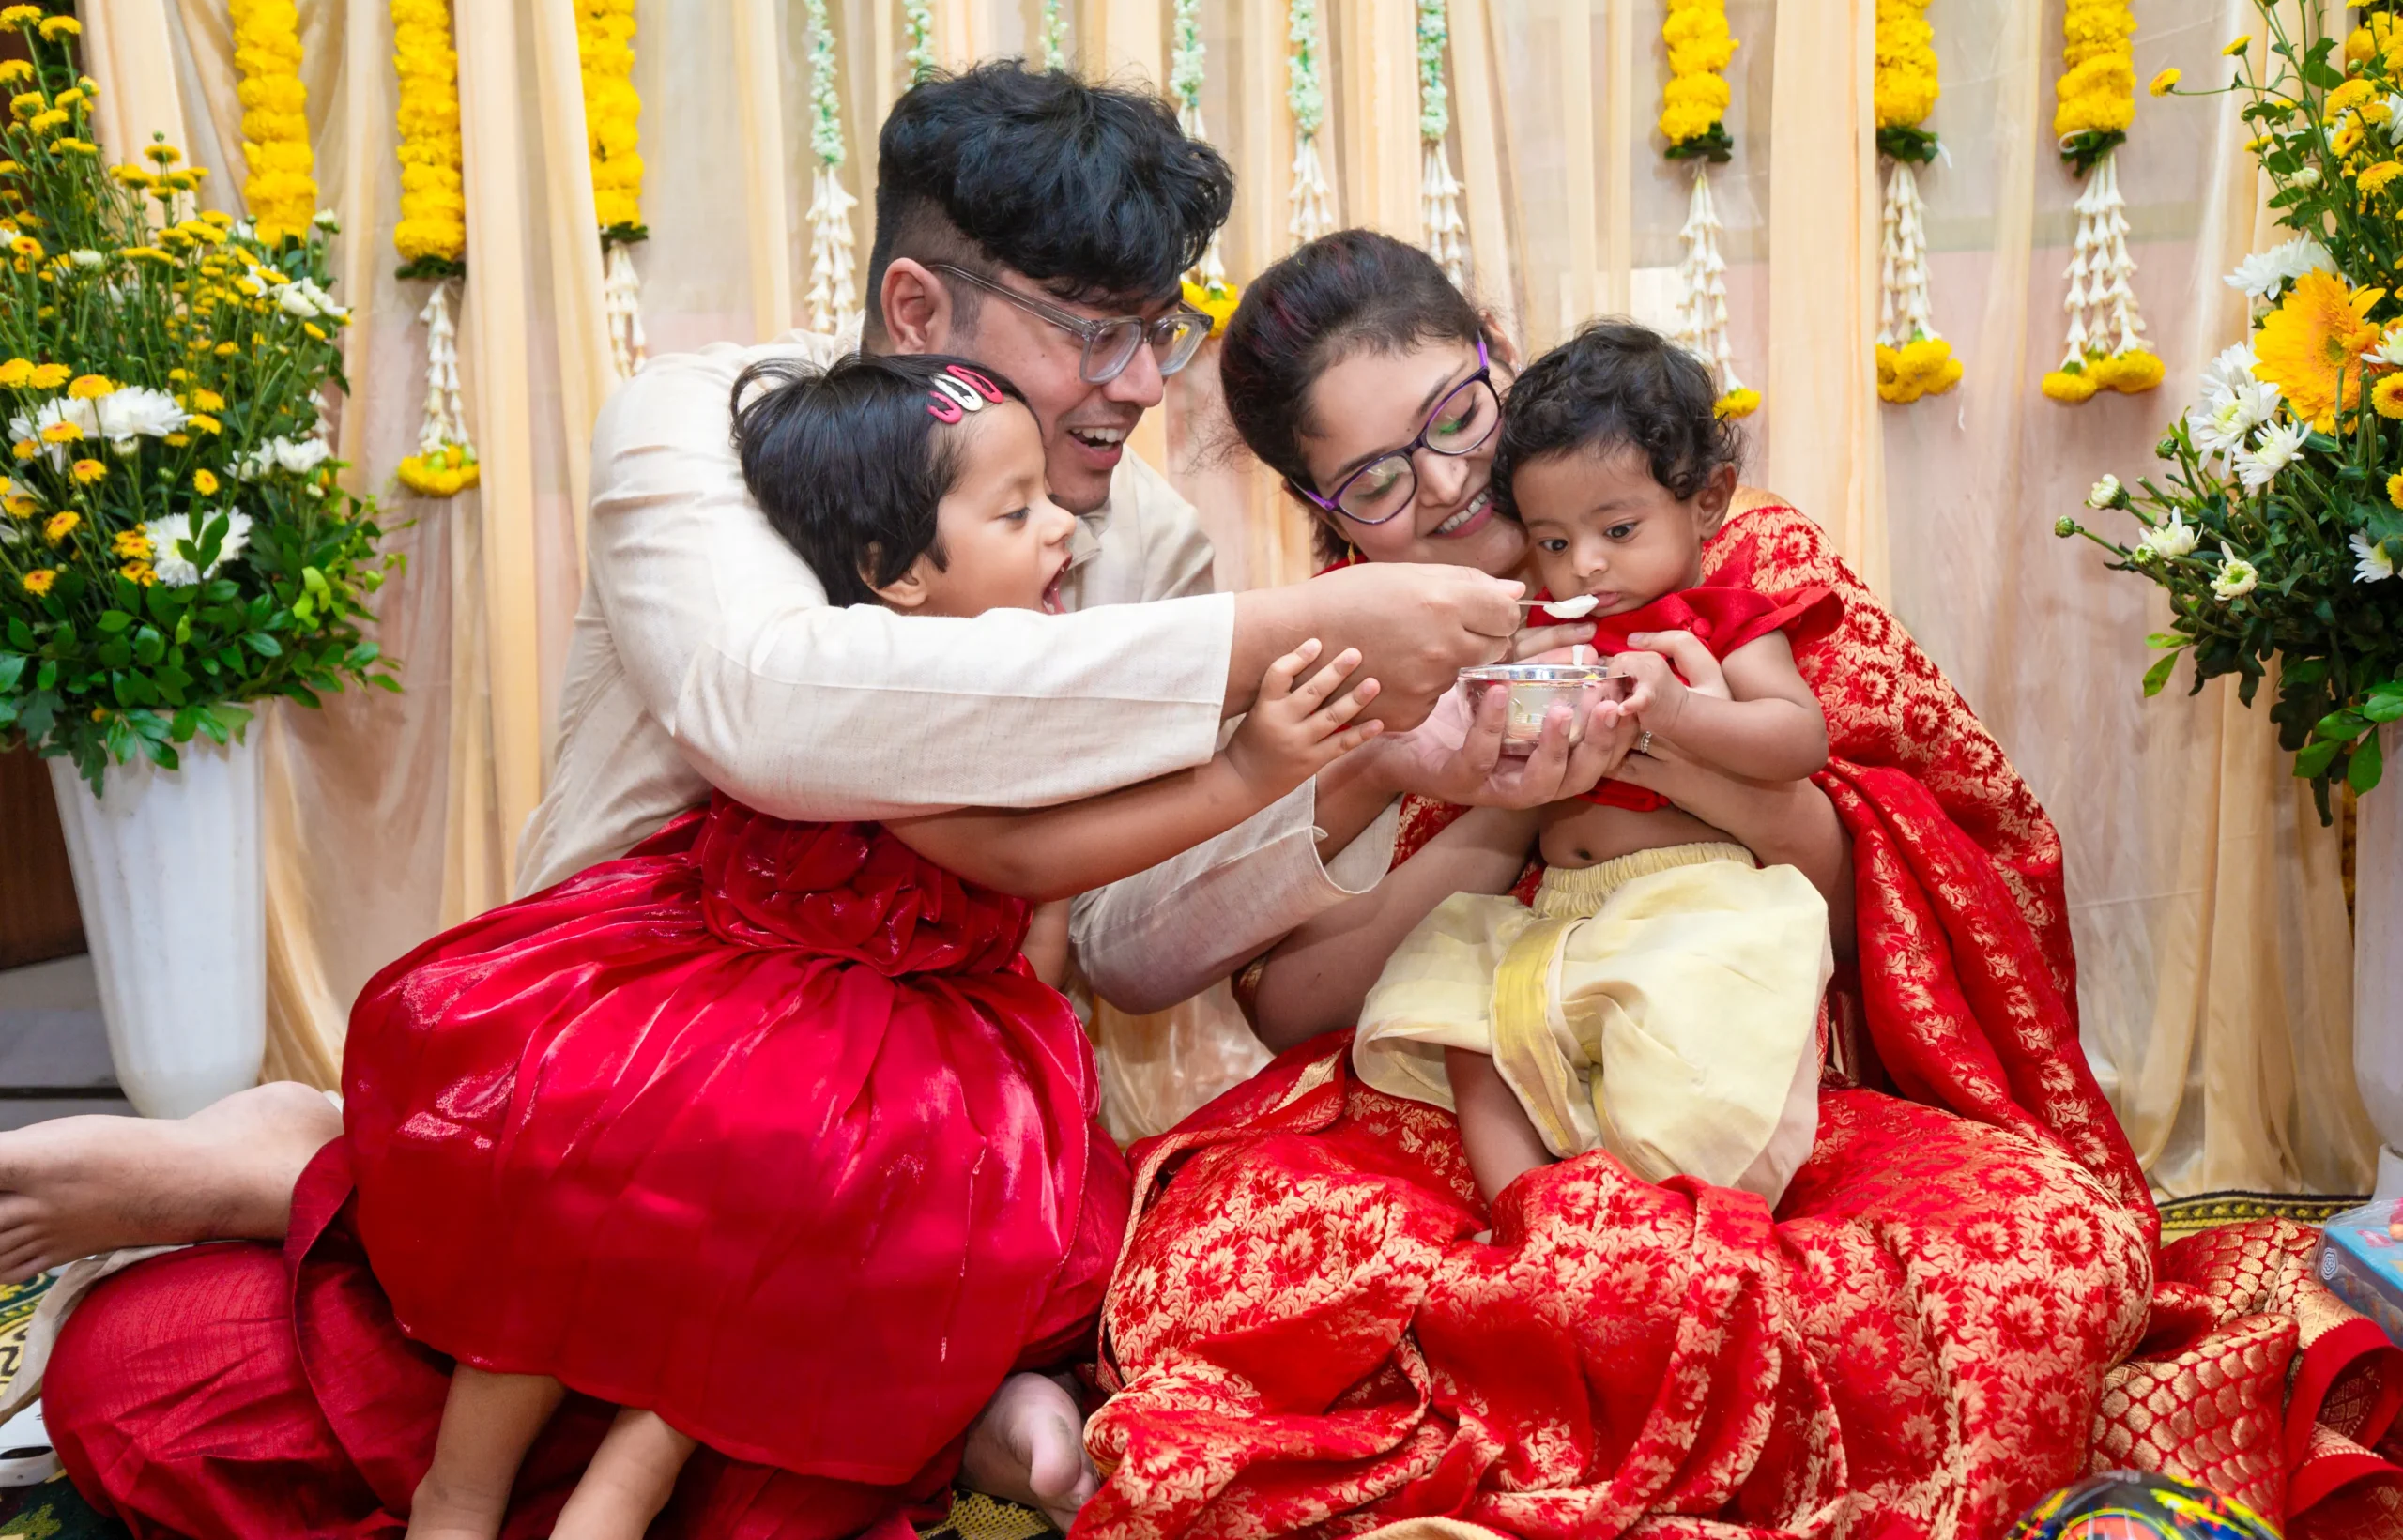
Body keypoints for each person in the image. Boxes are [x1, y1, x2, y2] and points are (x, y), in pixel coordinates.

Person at [0, 81, 1615, 1540]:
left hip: (903, 1155)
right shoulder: (712, 430)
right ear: (919, 305)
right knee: (149, 1389)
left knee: (808, 1437)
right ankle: (312, 1170)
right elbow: (777, 713)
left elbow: (1117, 937)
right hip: (632, 1094)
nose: (1137, 386)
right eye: (1094, 333)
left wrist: (1362, 774)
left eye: (1159, 330)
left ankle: (377, 1211)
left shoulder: (1139, 542)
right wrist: (1278, 638)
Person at [1076, 233, 2403, 1538]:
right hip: (1454, 1112)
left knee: (2052, 1260)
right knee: (1226, 1283)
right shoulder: (1348, 663)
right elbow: (1294, 1005)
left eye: (1456, 414)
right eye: (1371, 477)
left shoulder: (1734, 566)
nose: (1444, 480)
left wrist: (1661, 743)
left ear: (1500, 361)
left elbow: (1876, 888)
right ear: (1317, 511)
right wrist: (1484, 810)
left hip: (1750, 1087)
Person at [358, 353, 1384, 1540]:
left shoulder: (1037, 678)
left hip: (919, 1031)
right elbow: (1022, 862)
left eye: (1048, 499)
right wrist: (1247, 771)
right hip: (745, 994)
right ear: (894, 576)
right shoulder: (886, 698)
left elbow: (1038, 917)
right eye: (1016, 512)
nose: (1064, 532)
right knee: (597, 1170)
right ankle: (464, 1491)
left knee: (812, 1213)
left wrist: (1018, 1080)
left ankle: (623, 1487)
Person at [1350, 323, 1834, 1208]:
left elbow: (1800, 739)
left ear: (1709, 499)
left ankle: (1669, 1200)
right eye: (1555, 541)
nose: (1589, 564)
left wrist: (1685, 710)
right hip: (1563, 910)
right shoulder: (1548, 627)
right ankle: (1530, 1214)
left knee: (1689, 1046)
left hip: (1691, 900)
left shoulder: (1720, 617)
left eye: (1616, 528)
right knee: (1463, 1011)